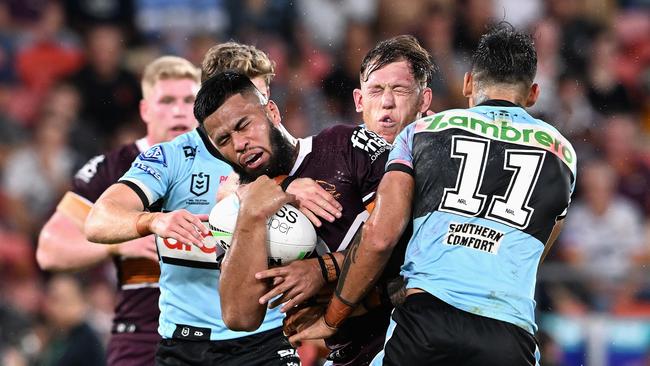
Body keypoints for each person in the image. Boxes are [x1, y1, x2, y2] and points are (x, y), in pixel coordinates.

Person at [291, 23, 578, 366]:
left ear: (469, 82)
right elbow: (539, 247)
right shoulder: (562, 152)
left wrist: (331, 318)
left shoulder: (423, 131)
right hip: (508, 332)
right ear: (532, 93)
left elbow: (380, 238)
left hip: (427, 324)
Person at [84, 43, 339, 365]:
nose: (257, 121)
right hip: (187, 343)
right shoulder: (172, 157)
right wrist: (151, 221)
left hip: (268, 338)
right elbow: (97, 221)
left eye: (260, 98)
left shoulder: (296, 157)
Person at [193, 34, 434, 366]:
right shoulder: (236, 210)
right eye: (224, 139)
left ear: (272, 112)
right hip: (347, 355)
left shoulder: (345, 143)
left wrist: (323, 270)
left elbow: (408, 239)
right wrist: (251, 214)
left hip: (409, 339)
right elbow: (239, 316)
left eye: (244, 125)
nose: (240, 143)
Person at [37, 55, 202, 366]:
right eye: (166, 100)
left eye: (189, 99)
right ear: (145, 110)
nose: (179, 110)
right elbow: (49, 250)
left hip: (220, 330)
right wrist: (117, 242)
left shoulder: (228, 162)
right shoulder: (111, 168)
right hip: (143, 334)